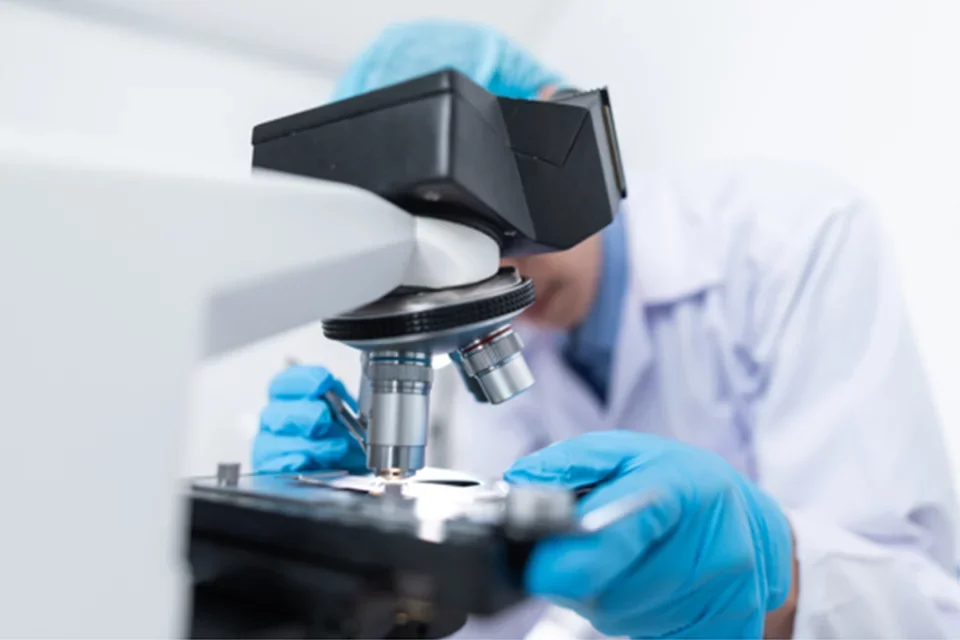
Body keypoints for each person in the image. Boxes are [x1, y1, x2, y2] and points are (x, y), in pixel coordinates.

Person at [251, 19, 960, 639]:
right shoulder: (496, 334)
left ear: (565, 145)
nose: (493, 282)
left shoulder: (791, 239)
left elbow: (924, 605)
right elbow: (499, 605)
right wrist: (360, 563)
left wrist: (770, 572)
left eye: (489, 243)